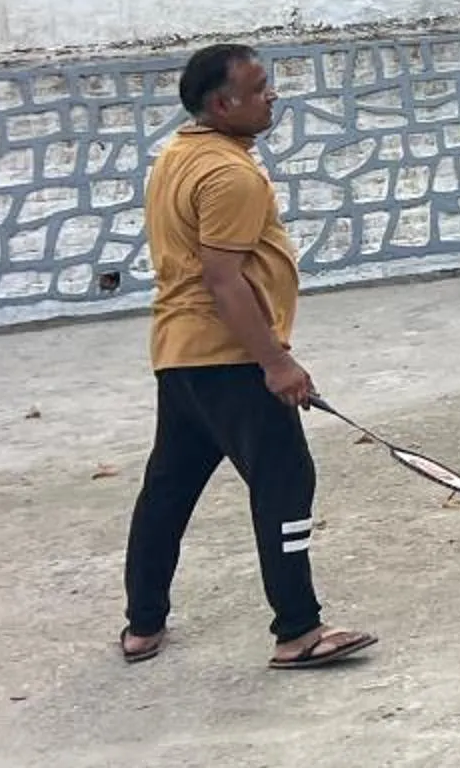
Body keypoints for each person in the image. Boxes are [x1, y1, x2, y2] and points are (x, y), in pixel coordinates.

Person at [120, 45, 377, 670]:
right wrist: (275, 363)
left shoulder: (178, 155)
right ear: (221, 104)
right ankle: (299, 630)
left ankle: (142, 624)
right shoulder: (230, 175)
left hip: (180, 355)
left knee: (168, 488)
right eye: (259, 89)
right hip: (228, 356)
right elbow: (224, 279)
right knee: (286, 479)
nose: (272, 98)